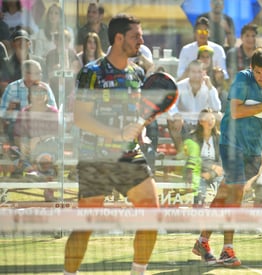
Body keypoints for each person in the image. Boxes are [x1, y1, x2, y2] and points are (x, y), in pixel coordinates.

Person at [63, 14, 159, 275]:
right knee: (86, 223)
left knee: (152, 213)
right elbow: (81, 117)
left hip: (129, 156)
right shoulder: (91, 72)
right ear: (119, 39)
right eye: (135, 36)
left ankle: (137, 272)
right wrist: (115, 133)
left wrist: (141, 132)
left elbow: (136, 114)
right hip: (96, 158)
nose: (141, 40)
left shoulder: (137, 72)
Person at [192, 46, 262, 266]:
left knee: (224, 192)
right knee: (237, 191)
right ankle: (227, 250)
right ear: (252, 68)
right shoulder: (242, 79)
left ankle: (202, 240)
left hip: (254, 148)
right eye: (258, 72)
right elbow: (237, 111)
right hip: (231, 143)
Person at [13, 81, 59, 200]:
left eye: (42, 92)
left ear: (47, 96)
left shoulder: (52, 112)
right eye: (35, 92)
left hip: (48, 147)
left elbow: (55, 133)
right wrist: (23, 144)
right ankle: (33, 170)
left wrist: (37, 140)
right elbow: (17, 135)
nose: (38, 95)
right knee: (15, 150)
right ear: (29, 96)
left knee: (49, 148)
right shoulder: (24, 112)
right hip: (28, 149)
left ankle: (46, 187)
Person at [168, 60, 221, 153]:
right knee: (171, 119)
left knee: (218, 116)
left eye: (199, 72)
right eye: (193, 72)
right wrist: (176, 114)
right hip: (184, 123)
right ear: (188, 72)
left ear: (204, 73)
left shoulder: (209, 87)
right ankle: (181, 152)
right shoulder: (180, 86)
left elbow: (217, 108)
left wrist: (210, 88)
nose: (196, 75)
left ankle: (213, 152)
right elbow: (171, 104)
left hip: (202, 124)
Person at [0, 60, 56, 145]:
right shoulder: (12, 88)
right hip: (19, 127)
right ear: (25, 73)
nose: (39, 76)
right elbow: (1, 113)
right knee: (14, 129)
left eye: (40, 73)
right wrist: (8, 109)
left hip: (40, 125)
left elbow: (53, 110)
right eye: (36, 73)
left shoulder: (45, 88)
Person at [183, 108, 223, 206]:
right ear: (201, 121)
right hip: (199, 172)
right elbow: (193, 159)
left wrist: (212, 173)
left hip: (216, 173)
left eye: (212, 119)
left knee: (224, 191)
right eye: (208, 119)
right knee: (199, 196)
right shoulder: (193, 137)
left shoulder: (219, 137)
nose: (211, 121)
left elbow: (222, 161)